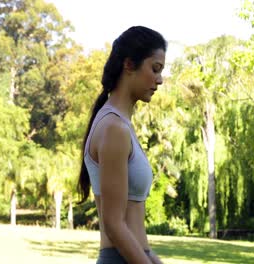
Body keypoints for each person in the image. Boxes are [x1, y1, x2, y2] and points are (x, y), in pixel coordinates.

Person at [78, 26, 167, 264]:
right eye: (155, 69)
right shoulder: (114, 128)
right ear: (129, 65)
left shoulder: (120, 125)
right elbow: (114, 225)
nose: (160, 79)